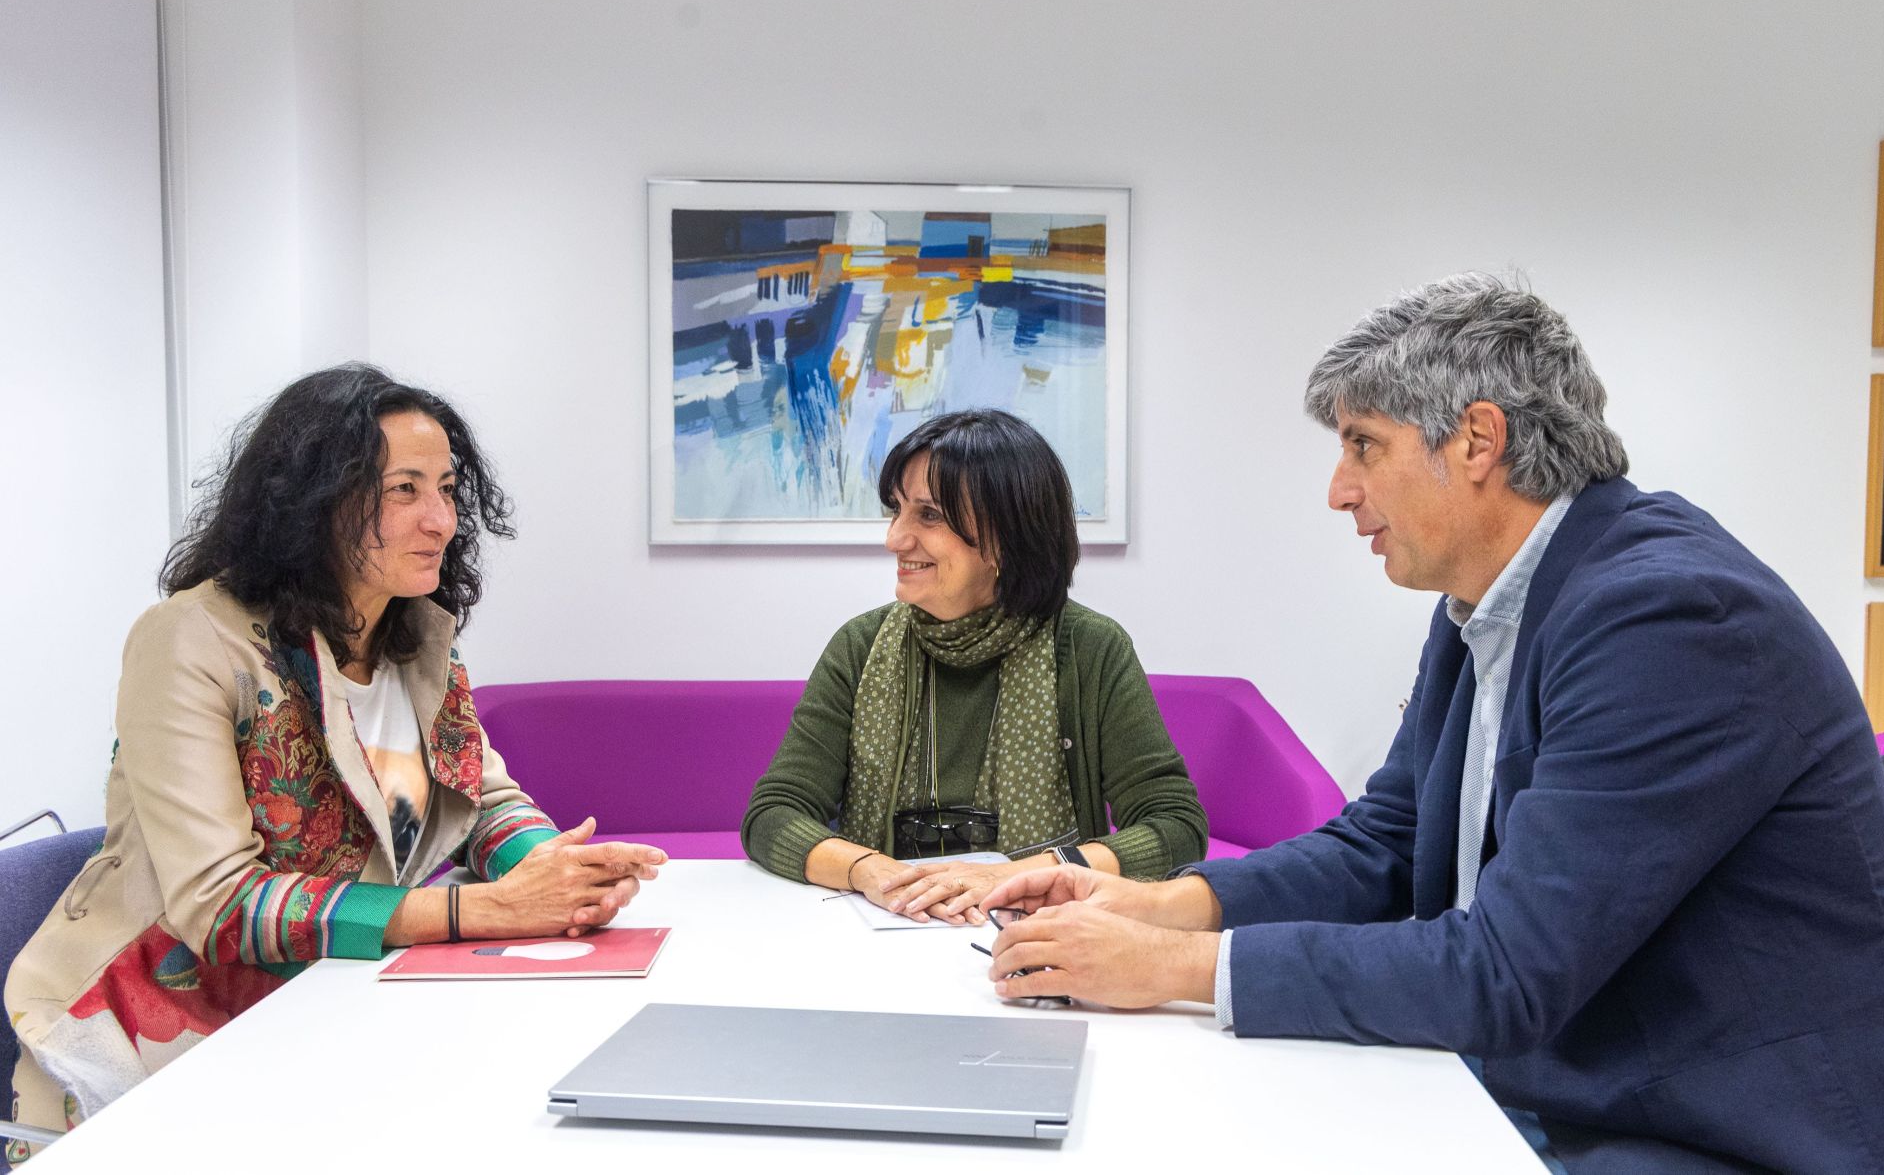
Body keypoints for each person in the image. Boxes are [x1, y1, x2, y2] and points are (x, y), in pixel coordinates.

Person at [982, 275, 1884, 1172]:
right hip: (1567, 1085)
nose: (1339, 490)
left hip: (1715, 1133)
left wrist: (1176, 966)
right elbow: (1385, 843)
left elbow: (1507, 971)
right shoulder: (1487, 601)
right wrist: (1161, 904)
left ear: (1477, 441)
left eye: (1363, 446)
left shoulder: (1671, 617)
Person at [3, 365, 667, 1158]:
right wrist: (484, 911)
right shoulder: (189, 640)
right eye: (405, 491)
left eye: (449, 489)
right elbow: (223, 906)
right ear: (312, 502)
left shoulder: (416, 636)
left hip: (337, 1007)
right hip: (169, 1053)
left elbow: (482, 798)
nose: (443, 520)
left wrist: (558, 876)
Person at [741, 408, 1206, 925]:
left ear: (1008, 537)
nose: (895, 538)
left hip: (1043, 929)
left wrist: (1030, 874)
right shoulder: (861, 644)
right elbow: (773, 814)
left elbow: (1174, 824)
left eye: (929, 515)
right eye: (896, 510)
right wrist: (875, 872)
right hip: (883, 925)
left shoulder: (1090, 648)